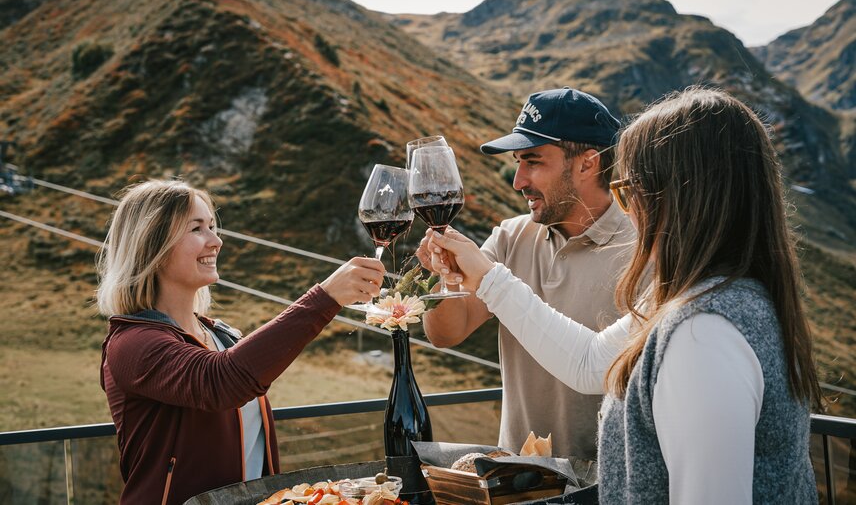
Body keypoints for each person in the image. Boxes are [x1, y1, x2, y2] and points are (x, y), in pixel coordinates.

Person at [428, 87, 823, 504]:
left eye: (632, 189)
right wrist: (484, 278)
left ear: (681, 194)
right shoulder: (718, 298)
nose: (630, 210)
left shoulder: (703, 333)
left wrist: (489, 278)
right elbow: (590, 362)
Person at [97, 179, 385, 505]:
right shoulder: (132, 344)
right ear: (152, 244)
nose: (216, 240)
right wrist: (325, 298)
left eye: (212, 226)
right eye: (197, 229)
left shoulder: (221, 335)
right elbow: (221, 381)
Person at [417, 87, 635, 466]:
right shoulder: (510, 237)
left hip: (606, 482)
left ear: (588, 164)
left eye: (533, 162)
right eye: (518, 162)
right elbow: (445, 333)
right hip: (519, 480)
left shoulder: (644, 248)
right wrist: (445, 278)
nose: (518, 181)